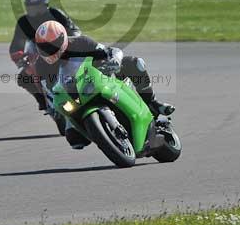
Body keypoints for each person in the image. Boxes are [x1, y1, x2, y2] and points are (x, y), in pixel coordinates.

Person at [34, 20, 174, 149]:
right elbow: (49, 89)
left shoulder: (81, 42)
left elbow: (108, 52)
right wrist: (53, 106)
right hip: (73, 97)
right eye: (44, 47)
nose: (49, 51)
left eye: (52, 46)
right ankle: (105, 136)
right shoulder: (41, 65)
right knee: (75, 140)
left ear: (62, 39)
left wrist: (113, 60)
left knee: (134, 63)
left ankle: (152, 103)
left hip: (99, 79)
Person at [9, 0, 81, 110]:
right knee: (23, 78)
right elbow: (16, 44)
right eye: (31, 8)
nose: (35, 12)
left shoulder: (56, 14)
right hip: (38, 53)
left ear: (46, 6)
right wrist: (18, 56)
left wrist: (69, 41)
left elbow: (74, 31)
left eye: (38, 8)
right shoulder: (23, 22)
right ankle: (42, 100)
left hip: (61, 49)